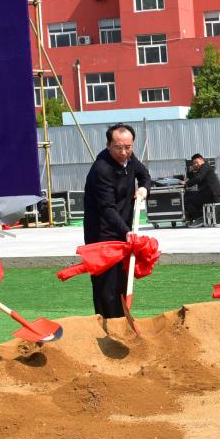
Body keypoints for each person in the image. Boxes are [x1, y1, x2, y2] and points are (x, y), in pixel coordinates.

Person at [84, 124, 150, 323]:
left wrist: (144, 189)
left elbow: (144, 175)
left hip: (123, 229)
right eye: (118, 148)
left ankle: (122, 321)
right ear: (108, 145)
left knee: (122, 279)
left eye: (128, 147)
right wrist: (126, 231)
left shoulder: (130, 159)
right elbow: (107, 208)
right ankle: (108, 325)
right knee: (107, 285)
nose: (123, 152)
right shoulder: (101, 169)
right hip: (102, 234)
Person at [185, 153, 220, 223]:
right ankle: (195, 216)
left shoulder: (205, 166)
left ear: (201, 159)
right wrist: (191, 170)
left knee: (186, 199)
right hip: (210, 194)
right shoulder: (203, 168)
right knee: (189, 194)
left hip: (212, 195)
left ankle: (199, 218)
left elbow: (198, 178)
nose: (195, 164)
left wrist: (186, 184)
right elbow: (193, 178)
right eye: (194, 163)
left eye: (196, 162)